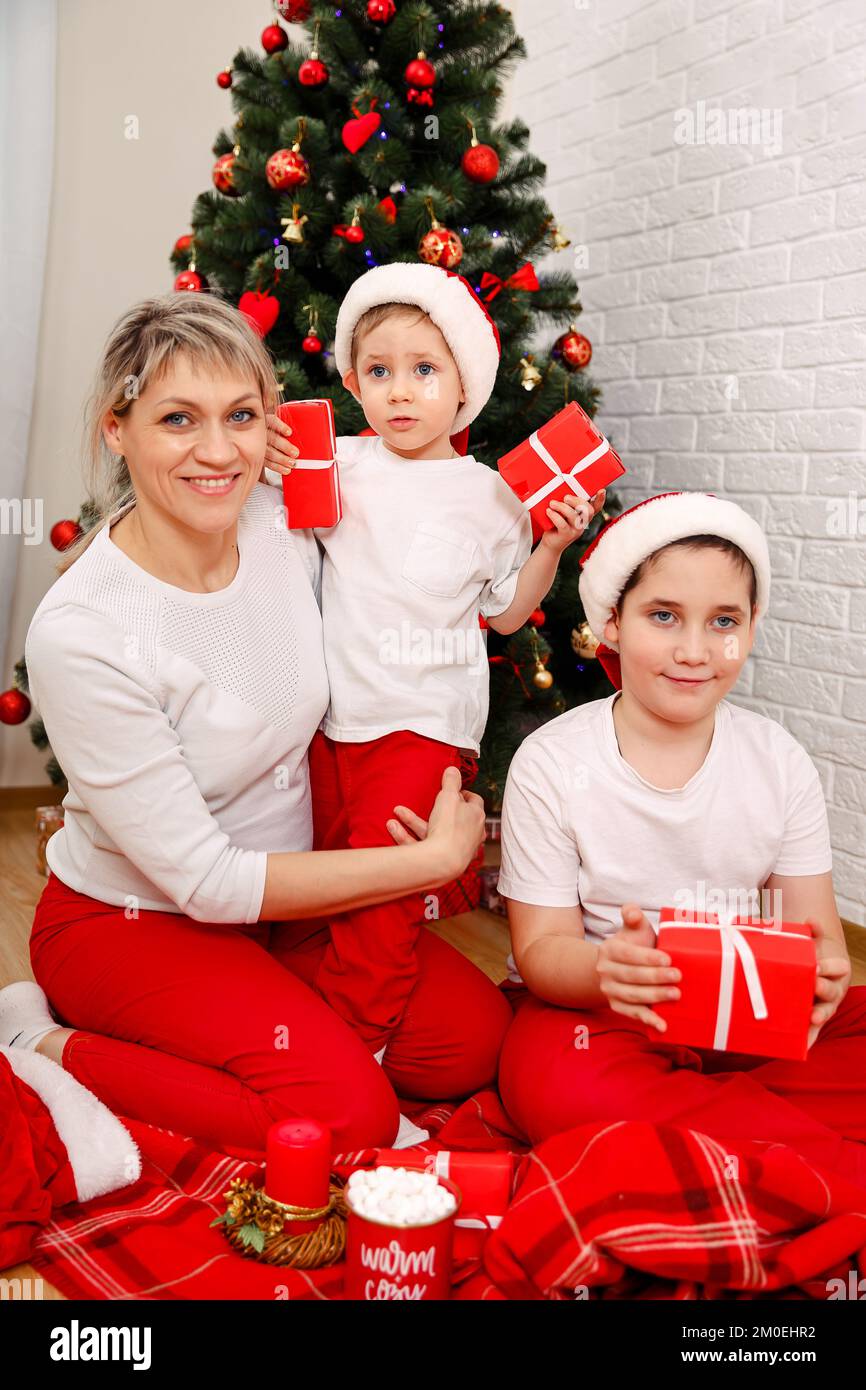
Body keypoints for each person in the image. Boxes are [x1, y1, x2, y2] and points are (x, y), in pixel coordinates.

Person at [0, 290, 504, 1160]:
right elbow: (206, 882)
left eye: (241, 416)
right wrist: (424, 865)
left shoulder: (284, 522)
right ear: (116, 429)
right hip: (136, 921)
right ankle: (42, 1041)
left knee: (470, 1043)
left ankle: (266, 1023)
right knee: (342, 1117)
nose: (217, 450)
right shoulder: (84, 629)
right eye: (177, 418)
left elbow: (411, 525)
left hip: (288, 907)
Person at [262, 262, 606, 1061]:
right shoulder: (337, 461)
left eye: (423, 371)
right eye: (378, 372)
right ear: (354, 381)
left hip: (420, 726)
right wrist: (267, 441)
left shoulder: (487, 496)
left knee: (380, 908)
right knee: (326, 893)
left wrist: (553, 543)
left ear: (462, 388)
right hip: (328, 721)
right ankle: (293, 1025)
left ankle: (357, 1057)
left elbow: (508, 612)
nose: (400, 392)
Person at [494, 491, 866, 1193]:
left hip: (741, 1019)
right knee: (549, 1076)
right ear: (611, 623)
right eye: (663, 617)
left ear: (751, 628)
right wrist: (608, 969)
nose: (695, 651)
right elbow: (541, 953)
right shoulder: (551, 762)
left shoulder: (778, 759)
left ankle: (725, 1133)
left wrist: (823, 978)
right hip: (605, 1019)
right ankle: (812, 1156)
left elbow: (817, 940)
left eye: (722, 621)